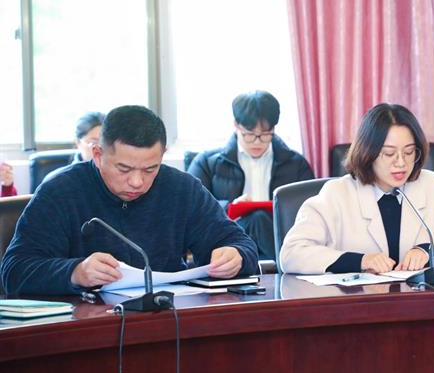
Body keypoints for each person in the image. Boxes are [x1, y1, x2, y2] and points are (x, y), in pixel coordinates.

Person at [1, 105, 258, 295]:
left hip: (167, 318)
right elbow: (14, 271)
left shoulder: (182, 188)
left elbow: (241, 244)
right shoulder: (61, 191)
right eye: (124, 169)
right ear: (98, 155)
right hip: (85, 327)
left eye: (150, 169)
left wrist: (235, 256)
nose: (137, 182)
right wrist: (75, 272)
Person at [280, 103, 434, 275]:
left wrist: (427, 251)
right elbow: (292, 253)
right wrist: (361, 261)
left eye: (409, 152)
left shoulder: (430, 185)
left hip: (419, 302)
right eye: (389, 154)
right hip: (357, 303)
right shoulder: (337, 193)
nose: (401, 163)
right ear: (368, 152)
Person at [189, 90, 314, 260]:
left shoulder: (296, 164)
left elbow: (310, 212)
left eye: (265, 135)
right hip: (228, 239)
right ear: (236, 125)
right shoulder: (207, 162)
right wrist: (230, 207)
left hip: (278, 237)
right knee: (256, 218)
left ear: (274, 128)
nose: (257, 141)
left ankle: (288, 260)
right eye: (249, 134)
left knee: (260, 218)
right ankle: (291, 262)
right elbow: (192, 209)